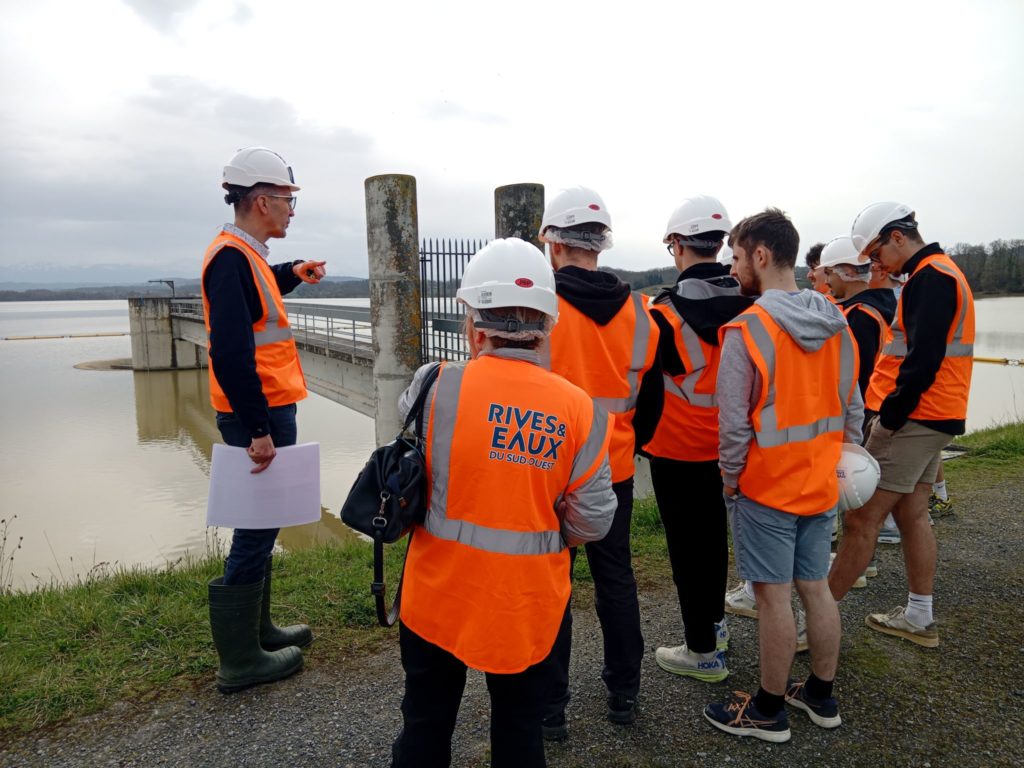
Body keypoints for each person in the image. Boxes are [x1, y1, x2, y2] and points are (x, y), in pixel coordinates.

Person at [389, 238, 617, 768]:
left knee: (424, 724)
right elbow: (593, 520)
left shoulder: (433, 384)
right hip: (524, 607)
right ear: (547, 326)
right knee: (519, 731)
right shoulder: (580, 410)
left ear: (474, 323)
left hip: (437, 597)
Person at [704, 208, 863, 743]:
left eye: (737, 256)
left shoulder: (747, 331)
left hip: (766, 488)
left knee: (772, 597)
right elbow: (852, 413)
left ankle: (768, 710)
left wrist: (731, 480)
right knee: (815, 588)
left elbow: (732, 425)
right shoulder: (838, 326)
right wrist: (839, 464)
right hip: (821, 484)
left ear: (761, 256)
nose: (733, 267)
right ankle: (820, 694)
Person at [202, 146, 327, 693]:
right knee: (256, 527)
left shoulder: (244, 255)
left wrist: (292, 273)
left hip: (269, 408)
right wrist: (257, 429)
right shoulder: (229, 259)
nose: (291, 210)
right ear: (259, 201)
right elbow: (231, 354)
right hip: (260, 414)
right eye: (285, 200)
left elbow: (260, 293)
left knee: (264, 519)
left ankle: (259, 631)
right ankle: (240, 660)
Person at [539, 187, 662, 735]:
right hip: (613, 471)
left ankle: (550, 709)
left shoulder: (541, 307)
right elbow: (652, 403)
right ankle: (625, 695)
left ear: (552, 242)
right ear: (599, 245)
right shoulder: (642, 313)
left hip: (546, 472)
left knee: (550, 583)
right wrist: (625, 447)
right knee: (616, 579)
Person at [828, 202, 975, 648]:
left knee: (860, 519)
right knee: (912, 513)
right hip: (937, 414)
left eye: (876, 253)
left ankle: (812, 620)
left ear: (897, 237)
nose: (874, 264)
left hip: (915, 417)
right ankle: (918, 615)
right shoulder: (941, 273)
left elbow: (923, 360)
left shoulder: (931, 279)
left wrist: (889, 418)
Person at [645, 196, 753, 683]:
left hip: (675, 449)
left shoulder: (661, 312)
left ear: (676, 245)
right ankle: (717, 624)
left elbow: (645, 388)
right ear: (721, 244)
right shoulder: (751, 306)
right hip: (735, 447)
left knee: (687, 550)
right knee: (714, 539)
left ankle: (702, 651)